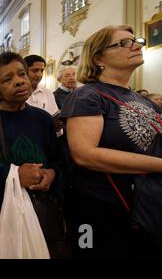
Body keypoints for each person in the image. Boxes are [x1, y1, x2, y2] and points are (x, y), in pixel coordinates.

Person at [59, 25, 162, 258]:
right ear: (98, 58)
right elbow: (84, 154)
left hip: (144, 205)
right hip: (102, 207)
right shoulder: (87, 95)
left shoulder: (141, 99)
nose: (136, 45)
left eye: (136, 40)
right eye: (123, 43)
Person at [0, 52, 61, 255]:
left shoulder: (43, 119)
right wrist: (15, 174)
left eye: (21, 74)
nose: (19, 82)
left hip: (40, 209)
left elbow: (58, 160)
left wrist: (51, 174)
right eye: (8, 79)